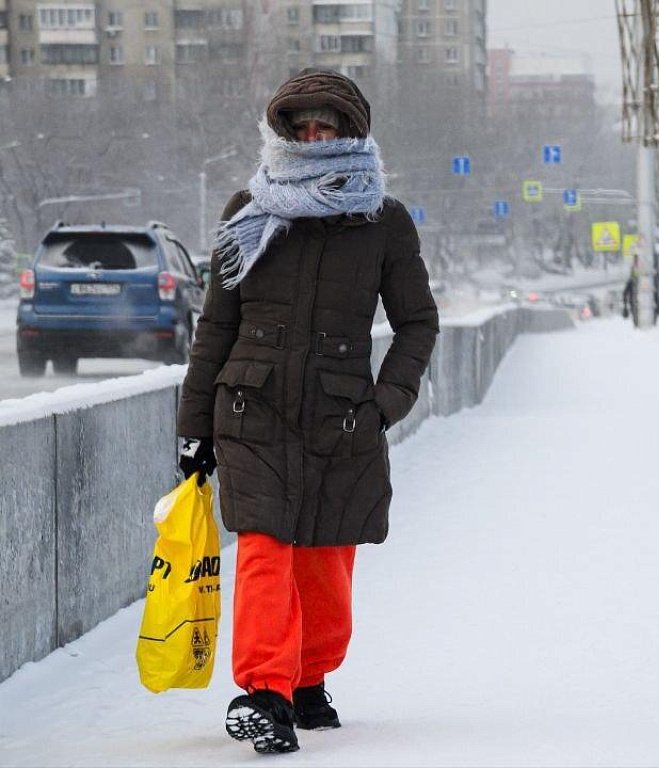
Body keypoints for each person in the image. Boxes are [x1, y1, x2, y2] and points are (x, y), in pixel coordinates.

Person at [176, 68, 439, 755]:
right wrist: (194, 428)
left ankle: (307, 678)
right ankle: (265, 692)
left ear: (352, 132)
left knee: (325, 563)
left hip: (341, 416)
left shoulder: (382, 219)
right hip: (251, 409)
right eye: (303, 127)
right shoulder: (248, 209)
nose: (314, 138)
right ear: (284, 131)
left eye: (327, 127)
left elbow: (417, 323)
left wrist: (385, 404)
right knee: (264, 549)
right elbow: (216, 326)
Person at [622, 254, 640, 326]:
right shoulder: (634, 268)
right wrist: (625, 305)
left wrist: (625, 305)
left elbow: (625, 293)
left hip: (636, 301)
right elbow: (625, 293)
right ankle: (636, 323)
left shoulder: (640, 267)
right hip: (635, 301)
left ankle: (636, 323)